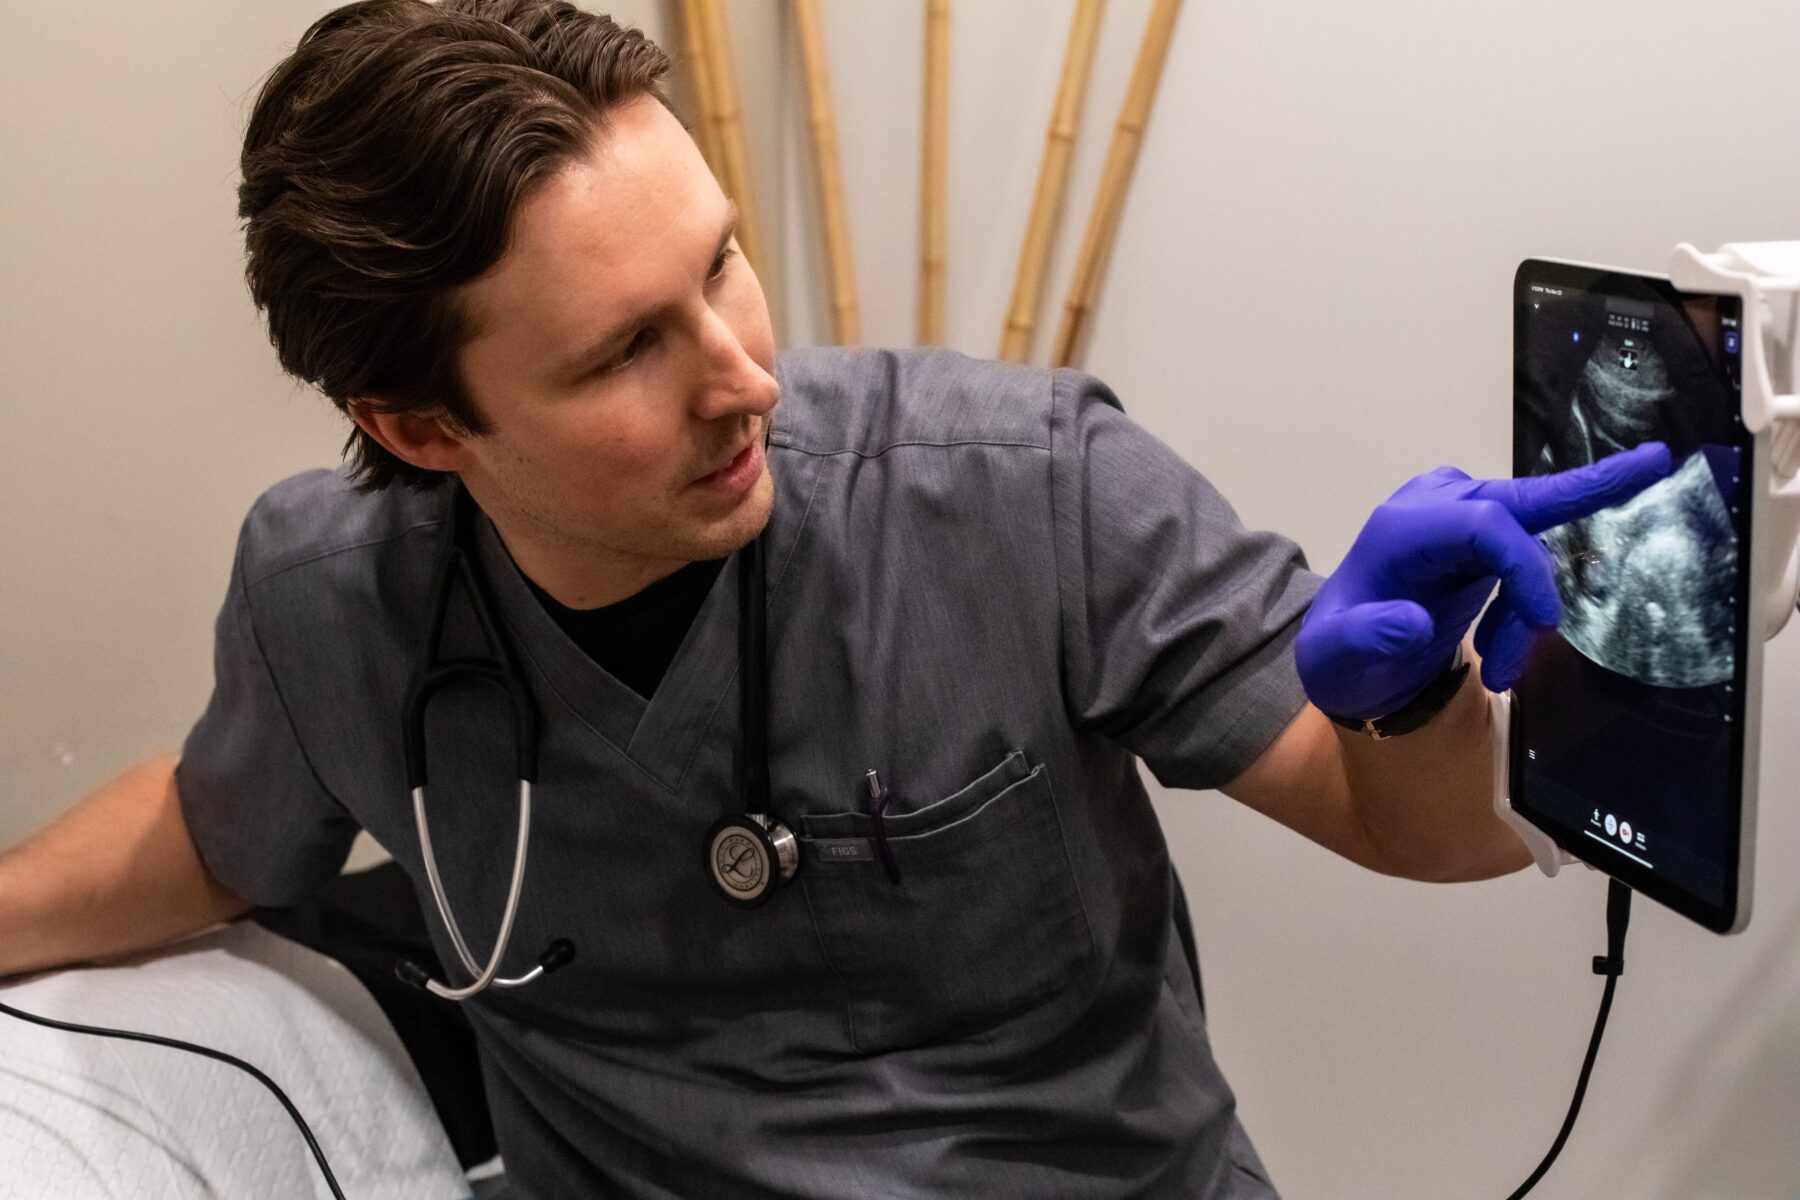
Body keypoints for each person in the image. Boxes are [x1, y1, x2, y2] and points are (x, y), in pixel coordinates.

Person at [0, 2, 1671, 1197]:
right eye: (625, 351)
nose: (745, 376)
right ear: (421, 427)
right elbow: (223, 836)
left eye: (719, 263)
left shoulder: (1021, 486)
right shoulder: (332, 605)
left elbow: (1430, 832)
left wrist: (1410, 704)